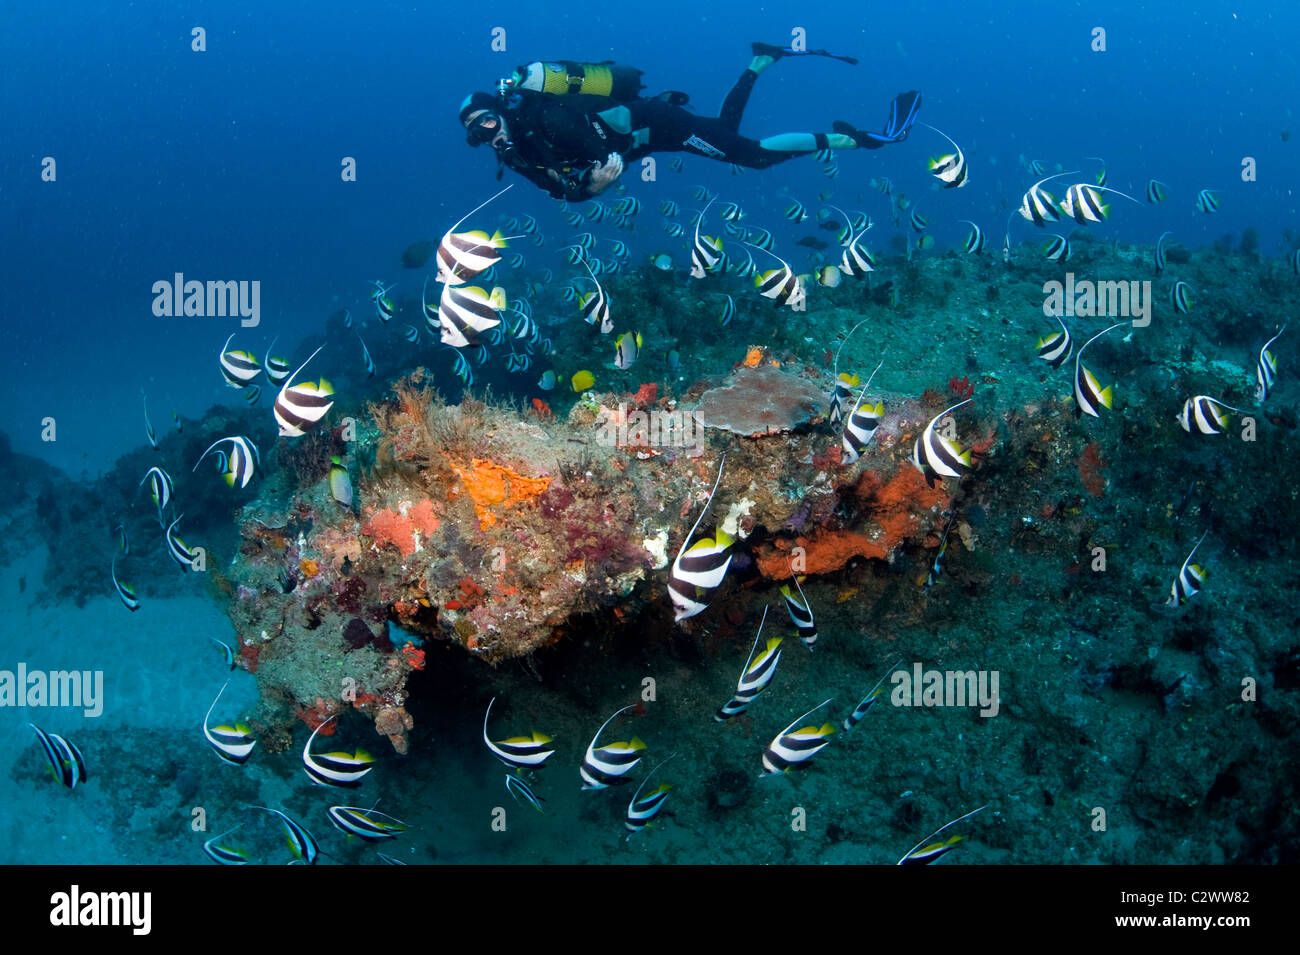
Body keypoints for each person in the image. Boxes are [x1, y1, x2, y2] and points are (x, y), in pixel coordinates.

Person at [459, 43, 921, 200]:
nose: (485, 134)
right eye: (474, 133)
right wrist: (593, 187)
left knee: (754, 157)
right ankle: (761, 60)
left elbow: (599, 153)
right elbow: (563, 192)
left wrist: (598, 174)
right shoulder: (516, 152)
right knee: (727, 131)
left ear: (499, 110)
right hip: (650, 134)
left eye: (485, 121)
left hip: (658, 124)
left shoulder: (546, 118)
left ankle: (857, 139)